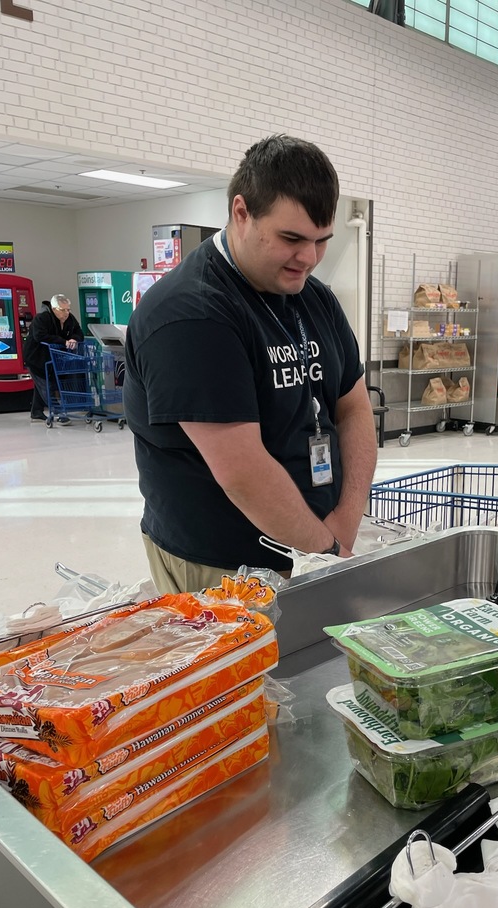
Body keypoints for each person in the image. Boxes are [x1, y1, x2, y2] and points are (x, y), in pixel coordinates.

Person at [124, 135, 378, 592]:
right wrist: (324, 551)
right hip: (223, 567)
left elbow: (355, 407)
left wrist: (344, 523)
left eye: (322, 241)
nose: (309, 258)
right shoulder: (190, 313)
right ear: (241, 212)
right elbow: (242, 472)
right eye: (291, 238)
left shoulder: (314, 298)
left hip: (318, 545)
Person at [24, 295, 84, 424]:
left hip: (53, 358)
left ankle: (36, 412)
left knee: (43, 384)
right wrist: (64, 341)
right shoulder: (41, 318)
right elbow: (40, 336)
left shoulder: (70, 320)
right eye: (63, 310)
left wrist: (74, 339)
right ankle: (59, 412)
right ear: (54, 308)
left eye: (68, 309)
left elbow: (79, 333)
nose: (67, 313)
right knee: (45, 385)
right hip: (35, 358)